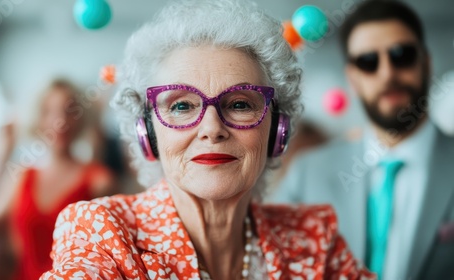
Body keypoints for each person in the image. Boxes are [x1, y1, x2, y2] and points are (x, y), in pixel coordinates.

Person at [41, 1, 375, 279]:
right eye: (182, 105)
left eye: (240, 104)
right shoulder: (101, 232)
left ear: (277, 129)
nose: (212, 128)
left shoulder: (314, 237)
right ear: (148, 132)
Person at [269, 1, 454, 279]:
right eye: (368, 62)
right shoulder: (308, 174)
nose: (387, 73)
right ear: (352, 80)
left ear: (426, 63)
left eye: (401, 55)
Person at [0, 79, 116, 280]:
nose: (60, 120)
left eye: (69, 110)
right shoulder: (22, 176)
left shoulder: (99, 180)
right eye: (49, 111)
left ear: (80, 117)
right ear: (38, 118)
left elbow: (109, 258)